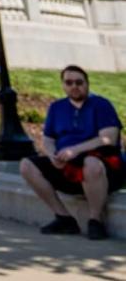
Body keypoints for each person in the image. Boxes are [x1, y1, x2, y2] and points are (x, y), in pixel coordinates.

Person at [20, 65, 122, 240]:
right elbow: (48, 139)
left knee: (90, 163)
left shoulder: (101, 104)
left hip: (102, 167)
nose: (74, 86)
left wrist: (75, 150)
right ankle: (64, 219)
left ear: (87, 83)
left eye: (79, 82)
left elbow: (109, 138)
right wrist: (52, 155)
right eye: (69, 82)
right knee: (27, 165)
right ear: (63, 85)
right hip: (66, 164)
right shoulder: (56, 108)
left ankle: (95, 221)